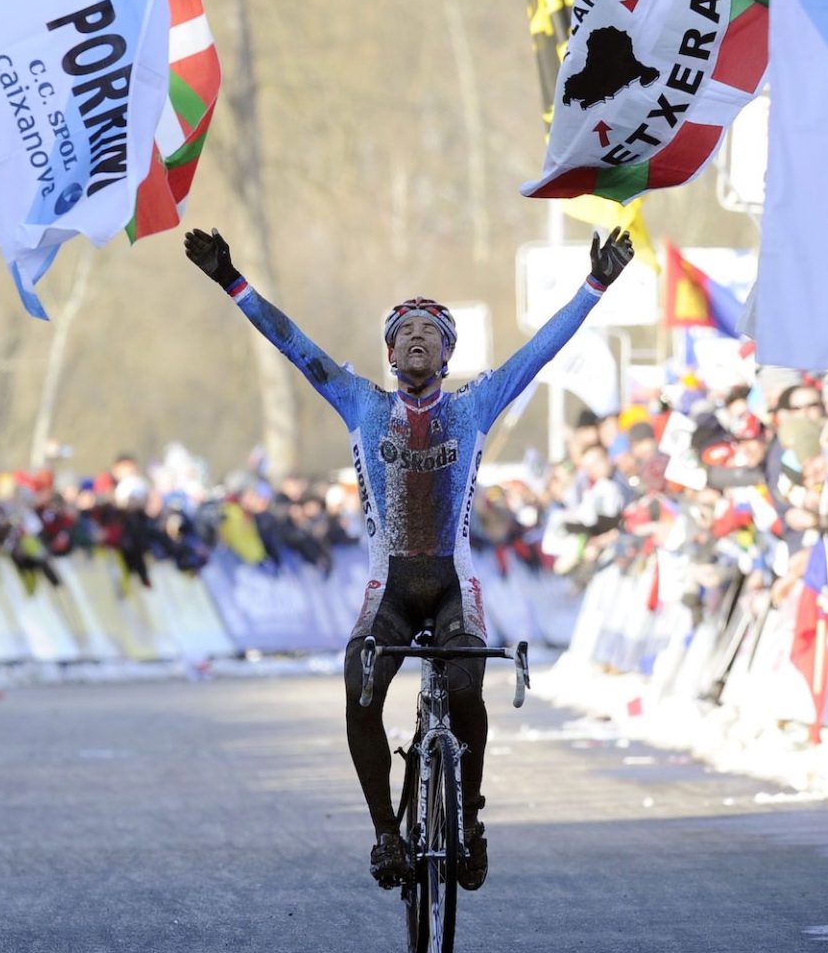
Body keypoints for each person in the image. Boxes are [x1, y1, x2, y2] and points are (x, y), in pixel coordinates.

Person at [185, 224, 635, 892]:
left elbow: (540, 352)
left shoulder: (476, 404)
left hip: (453, 584)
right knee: (359, 681)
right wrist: (232, 279)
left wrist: (595, 285)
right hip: (390, 587)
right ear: (390, 353)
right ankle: (385, 835)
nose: (417, 336)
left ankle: (471, 820)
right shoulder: (359, 402)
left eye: (432, 331)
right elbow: (292, 345)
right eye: (405, 332)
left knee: (462, 686)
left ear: (448, 355)